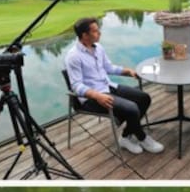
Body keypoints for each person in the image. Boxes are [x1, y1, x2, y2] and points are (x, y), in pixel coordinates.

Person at [65, 17, 164, 155]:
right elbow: (76, 85)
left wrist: (127, 71)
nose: (99, 33)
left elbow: (108, 67)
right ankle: (142, 138)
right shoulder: (73, 56)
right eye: (95, 31)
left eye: (98, 29)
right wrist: (97, 95)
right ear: (84, 35)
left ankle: (125, 137)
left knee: (144, 98)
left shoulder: (98, 48)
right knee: (132, 108)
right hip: (92, 98)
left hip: (108, 87)